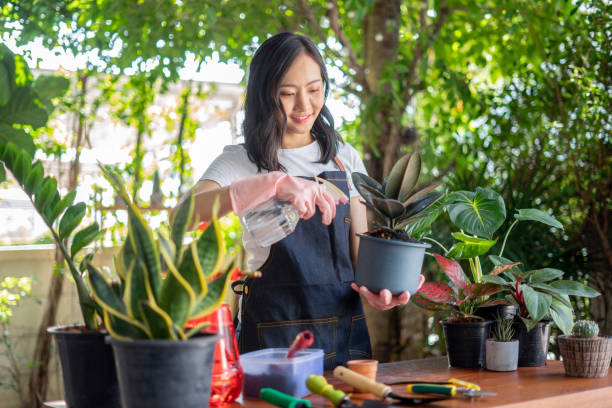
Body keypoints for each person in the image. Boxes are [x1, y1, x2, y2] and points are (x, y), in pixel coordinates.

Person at [174, 32, 424, 369]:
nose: (304, 106)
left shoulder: (343, 159)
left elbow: (360, 257)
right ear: (264, 95)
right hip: (272, 337)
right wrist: (274, 183)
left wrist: (381, 291)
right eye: (288, 94)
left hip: (344, 334)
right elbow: (182, 217)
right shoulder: (242, 160)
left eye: (314, 90)